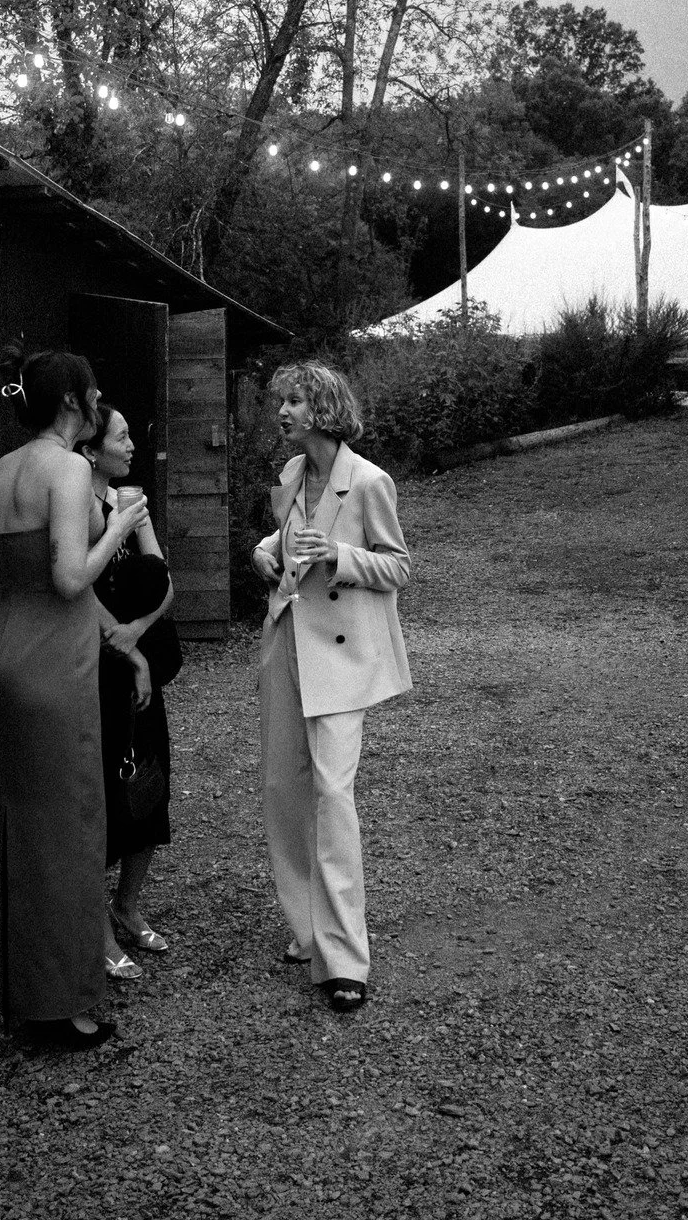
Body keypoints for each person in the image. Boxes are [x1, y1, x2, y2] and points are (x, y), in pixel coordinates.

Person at [0, 343, 149, 1050]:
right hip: (56, 662)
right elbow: (72, 578)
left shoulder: (3, 469)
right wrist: (120, 525)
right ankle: (67, 1007)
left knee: (26, 829)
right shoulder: (69, 468)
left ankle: (28, 995)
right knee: (74, 827)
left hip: (5, 651)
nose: (99, 399)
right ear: (74, 401)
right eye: (94, 391)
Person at [253, 362, 411, 1012]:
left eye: (293, 400)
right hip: (287, 641)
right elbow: (288, 539)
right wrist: (267, 550)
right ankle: (308, 929)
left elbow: (398, 565)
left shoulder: (368, 481)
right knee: (283, 789)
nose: (281, 411)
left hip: (340, 660)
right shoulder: (293, 477)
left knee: (332, 793)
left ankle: (345, 958)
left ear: (322, 409)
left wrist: (340, 558)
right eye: (280, 401)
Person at [82, 404, 177, 977]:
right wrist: (125, 647)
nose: (131, 445)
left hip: (135, 655)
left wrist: (138, 634)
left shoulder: (131, 500)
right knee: (101, 793)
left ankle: (127, 906)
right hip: (92, 663)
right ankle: (92, 923)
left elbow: (164, 583)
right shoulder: (76, 505)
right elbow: (71, 585)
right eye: (121, 437)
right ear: (92, 450)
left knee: (150, 782)